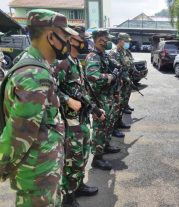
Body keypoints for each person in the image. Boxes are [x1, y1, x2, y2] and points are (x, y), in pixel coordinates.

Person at [0, 9, 77, 206]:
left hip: (41, 169)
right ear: (51, 36)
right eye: (66, 36)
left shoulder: (33, 62)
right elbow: (19, 134)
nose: (69, 42)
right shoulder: (35, 74)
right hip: (37, 174)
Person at [55, 26, 105, 206]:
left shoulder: (78, 63)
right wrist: (67, 99)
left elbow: (83, 92)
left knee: (83, 156)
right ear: (71, 40)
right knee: (71, 159)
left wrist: (96, 110)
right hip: (70, 122)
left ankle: (78, 185)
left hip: (82, 119)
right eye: (81, 38)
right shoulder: (63, 64)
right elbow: (51, 88)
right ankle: (68, 197)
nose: (85, 42)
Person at [85, 29, 121, 171]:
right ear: (99, 40)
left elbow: (116, 66)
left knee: (108, 124)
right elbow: (93, 77)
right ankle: (97, 159)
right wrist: (110, 77)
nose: (108, 41)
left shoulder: (103, 55)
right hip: (99, 98)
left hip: (108, 97)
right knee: (100, 128)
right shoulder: (93, 56)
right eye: (106, 39)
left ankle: (105, 146)